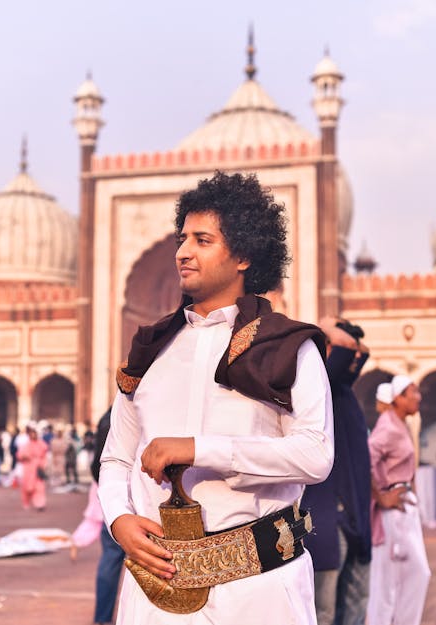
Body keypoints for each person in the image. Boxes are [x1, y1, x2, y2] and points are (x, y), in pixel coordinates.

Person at [98, 171, 334, 625]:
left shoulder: (288, 347)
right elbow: (116, 458)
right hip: (154, 589)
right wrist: (118, 520)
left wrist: (198, 449)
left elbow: (316, 455)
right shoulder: (150, 351)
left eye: (202, 240)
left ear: (242, 255)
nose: (183, 252)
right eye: (182, 238)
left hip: (258, 590)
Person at [302, 317, 372, 625]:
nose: (354, 357)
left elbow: (360, 348)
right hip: (327, 517)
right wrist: (323, 324)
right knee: (324, 611)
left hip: (352, 514)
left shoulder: (342, 389)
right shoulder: (321, 383)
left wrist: (341, 330)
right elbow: (346, 345)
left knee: (355, 605)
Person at [367, 375, 431, 625]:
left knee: (406, 577)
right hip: (393, 513)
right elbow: (367, 459)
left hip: (403, 509)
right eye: (413, 392)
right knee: (395, 580)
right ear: (398, 398)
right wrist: (381, 496)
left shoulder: (398, 423)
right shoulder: (388, 426)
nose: (419, 397)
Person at [91, 408, 124, 625]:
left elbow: (97, 466)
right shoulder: (139, 408)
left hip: (114, 500)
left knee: (110, 561)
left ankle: (102, 618)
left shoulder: (107, 417)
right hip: (145, 503)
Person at [16, 423, 49, 510]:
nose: (33, 435)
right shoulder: (26, 445)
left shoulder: (41, 444)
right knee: (27, 488)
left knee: (39, 488)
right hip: (28, 469)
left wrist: (43, 465)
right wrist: (25, 457)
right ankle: (26, 502)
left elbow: (44, 456)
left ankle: (40, 503)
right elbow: (20, 455)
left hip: (38, 469)